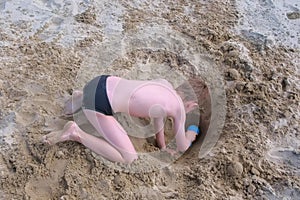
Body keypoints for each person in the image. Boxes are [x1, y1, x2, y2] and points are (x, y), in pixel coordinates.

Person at [42, 75, 199, 164]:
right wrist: (191, 133)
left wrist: (162, 146)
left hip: (101, 82)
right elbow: (183, 147)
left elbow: (159, 121)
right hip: (98, 103)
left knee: (117, 93)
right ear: (191, 104)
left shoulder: (164, 83)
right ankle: (75, 132)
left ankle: (79, 97)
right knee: (129, 158)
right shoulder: (179, 109)